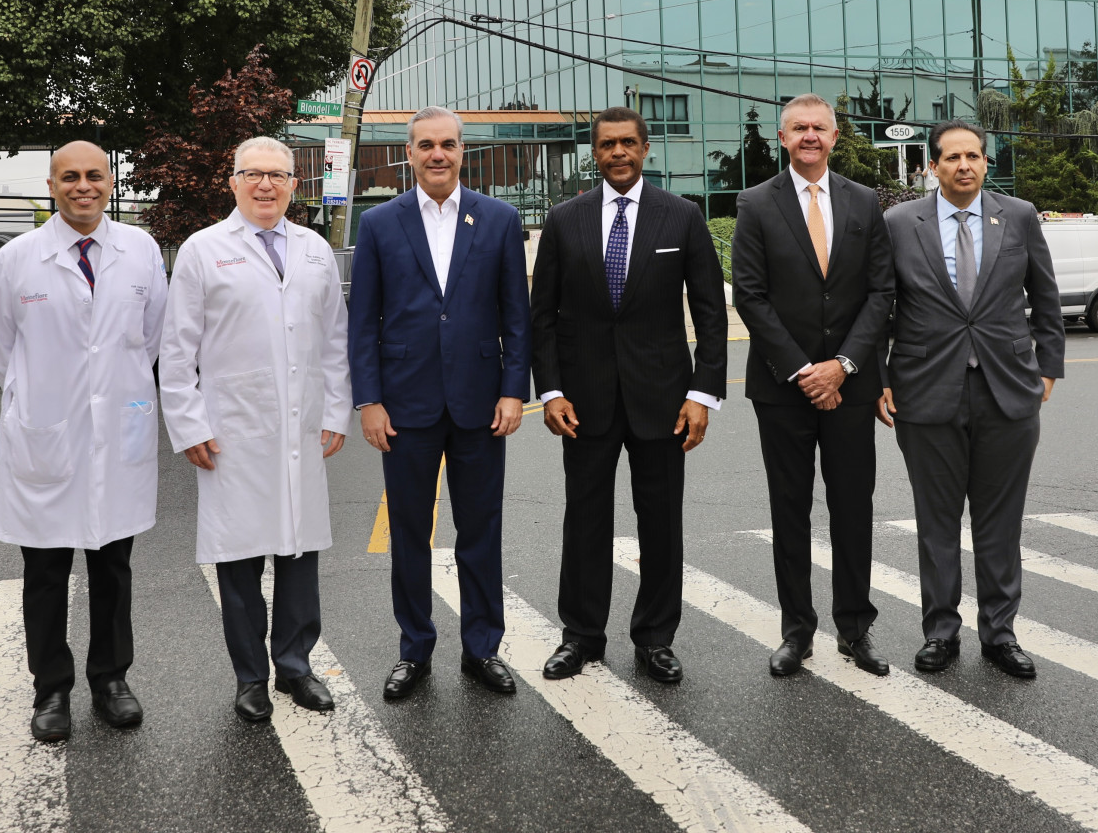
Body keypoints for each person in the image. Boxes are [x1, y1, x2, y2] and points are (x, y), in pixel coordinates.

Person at [531, 107, 727, 684]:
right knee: (584, 522)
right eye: (607, 144)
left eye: (628, 143)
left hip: (664, 401)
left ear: (645, 149)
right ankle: (581, 636)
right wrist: (551, 391)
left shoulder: (682, 216)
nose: (618, 152)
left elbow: (711, 314)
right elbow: (541, 316)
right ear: (594, 153)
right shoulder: (565, 219)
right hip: (582, 401)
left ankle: (656, 638)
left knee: (661, 523)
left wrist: (702, 394)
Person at [159, 137, 350, 725]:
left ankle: (295, 666)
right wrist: (188, 424)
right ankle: (250, 679)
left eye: (278, 175)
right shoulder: (203, 250)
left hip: (301, 427)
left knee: (299, 552)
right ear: (233, 182)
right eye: (253, 174)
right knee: (239, 561)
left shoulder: (315, 250)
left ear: (295, 185)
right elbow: (177, 349)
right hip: (231, 430)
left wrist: (336, 410)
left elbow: (335, 340)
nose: (266, 184)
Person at [0, 141, 168, 742]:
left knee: (113, 566)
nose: (82, 186)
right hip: (48, 433)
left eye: (93, 175)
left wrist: (111, 393)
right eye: (69, 177)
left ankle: (111, 680)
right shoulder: (17, 258)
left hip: (117, 431)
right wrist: (42, 402)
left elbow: (151, 336)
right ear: (52, 185)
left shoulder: (140, 250)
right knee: (45, 569)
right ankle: (51, 689)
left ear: (110, 182)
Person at [349, 106, 531, 702]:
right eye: (425, 144)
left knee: (481, 529)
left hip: (481, 404)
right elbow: (363, 322)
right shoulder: (379, 223)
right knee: (408, 533)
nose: (437, 154)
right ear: (409, 153)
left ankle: (482, 648)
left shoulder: (499, 219)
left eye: (447, 144)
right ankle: (415, 649)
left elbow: (517, 316)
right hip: (405, 406)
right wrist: (369, 401)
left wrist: (513, 390)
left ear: (462, 151)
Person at [876, 119, 1063, 680]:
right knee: (936, 522)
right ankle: (940, 633)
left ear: (985, 162)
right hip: (924, 389)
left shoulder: (1019, 216)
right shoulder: (899, 223)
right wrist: (880, 376)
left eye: (973, 156)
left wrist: (1048, 367)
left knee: (1000, 523)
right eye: (952, 157)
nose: (964, 166)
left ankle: (1000, 635)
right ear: (932, 166)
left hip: (1008, 389)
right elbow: (880, 304)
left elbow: (1045, 295)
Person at [730, 94, 896, 679]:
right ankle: (796, 632)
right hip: (783, 389)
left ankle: (855, 628)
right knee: (790, 510)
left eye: (819, 128)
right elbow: (749, 295)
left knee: (852, 509)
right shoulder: (755, 203)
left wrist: (843, 365)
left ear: (834, 136)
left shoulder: (864, 201)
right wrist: (806, 370)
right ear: (782, 138)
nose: (809, 136)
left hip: (850, 386)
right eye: (798, 128)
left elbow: (881, 292)